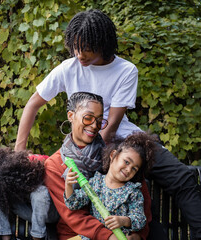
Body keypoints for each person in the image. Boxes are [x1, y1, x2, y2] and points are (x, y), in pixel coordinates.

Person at [16, 9, 201, 239]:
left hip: (124, 140)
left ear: (104, 43)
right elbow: (32, 104)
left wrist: (107, 158)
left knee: (181, 178)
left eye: (87, 47)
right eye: (76, 47)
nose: (80, 54)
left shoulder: (126, 70)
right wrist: (19, 151)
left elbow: (110, 128)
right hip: (86, 141)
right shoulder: (68, 68)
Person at [45, 92, 152, 240]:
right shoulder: (55, 164)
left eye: (100, 120)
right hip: (78, 235)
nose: (95, 126)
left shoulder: (114, 154)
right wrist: (109, 237)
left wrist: (138, 235)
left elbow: (141, 200)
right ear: (71, 116)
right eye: (88, 118)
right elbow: (74, 215)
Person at [64, 132, 157, 239]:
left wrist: (123, 221)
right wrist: (69, 186)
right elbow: (73, 203)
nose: (128, 169)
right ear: (113, 155)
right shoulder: (96, 183)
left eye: (134, 169)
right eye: (127, 162)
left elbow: (140, 220)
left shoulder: (132, 192)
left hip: (120, 237)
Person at [0, 148, 59, 240]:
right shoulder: (4, 176)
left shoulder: (38, 163)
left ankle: (37, 237)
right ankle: (4, 237)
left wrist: (37, 236)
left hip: (51, 211)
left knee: (39, 192)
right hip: (29, 208)